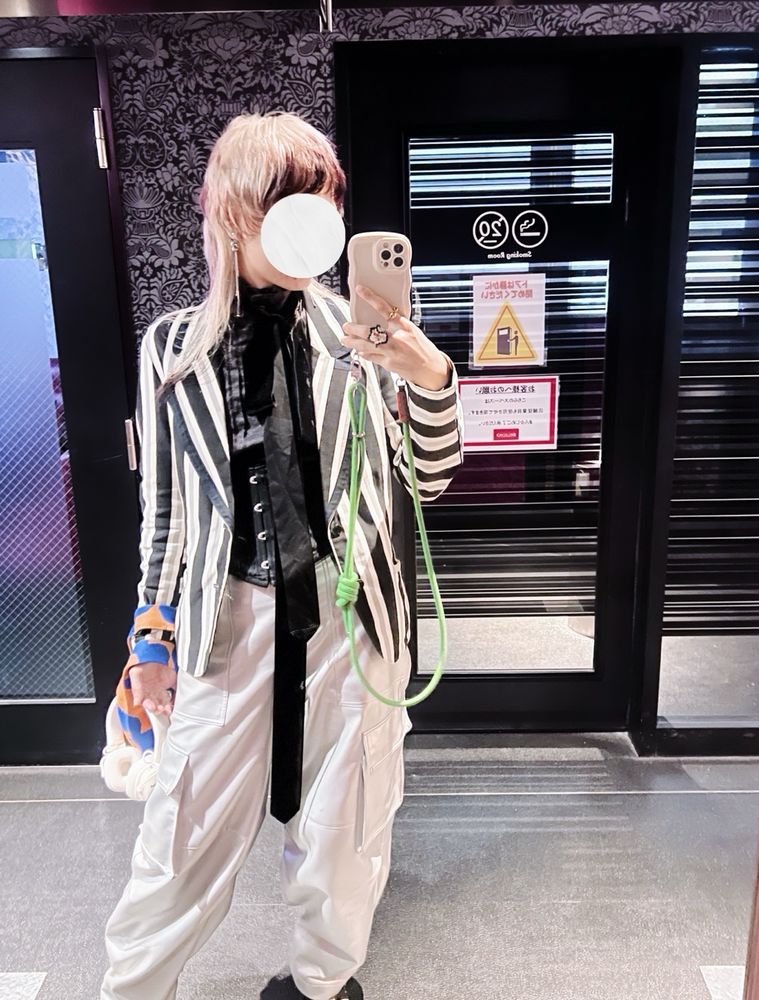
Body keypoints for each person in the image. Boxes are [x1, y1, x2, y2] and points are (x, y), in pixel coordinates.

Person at [100, 110, 464, 1000]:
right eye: (291, 200)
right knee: (181, 835)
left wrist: (428, 376)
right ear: (234, 212)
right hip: (227, 621)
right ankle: (133, 987)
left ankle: (319, 983)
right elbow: (165, 511)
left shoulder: (363, 333)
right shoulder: (173, 348)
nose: (316, 219)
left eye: (325, 198)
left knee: (349, 829)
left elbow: (429, 478)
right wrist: (150, 637)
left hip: (353, 620)